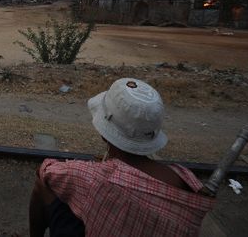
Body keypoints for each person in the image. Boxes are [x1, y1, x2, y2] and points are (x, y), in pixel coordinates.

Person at [29, 78, 215, 237]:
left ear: (104, 133)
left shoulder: (94, 177)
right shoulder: (185, 178)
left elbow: (45, 171)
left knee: (43, 183)